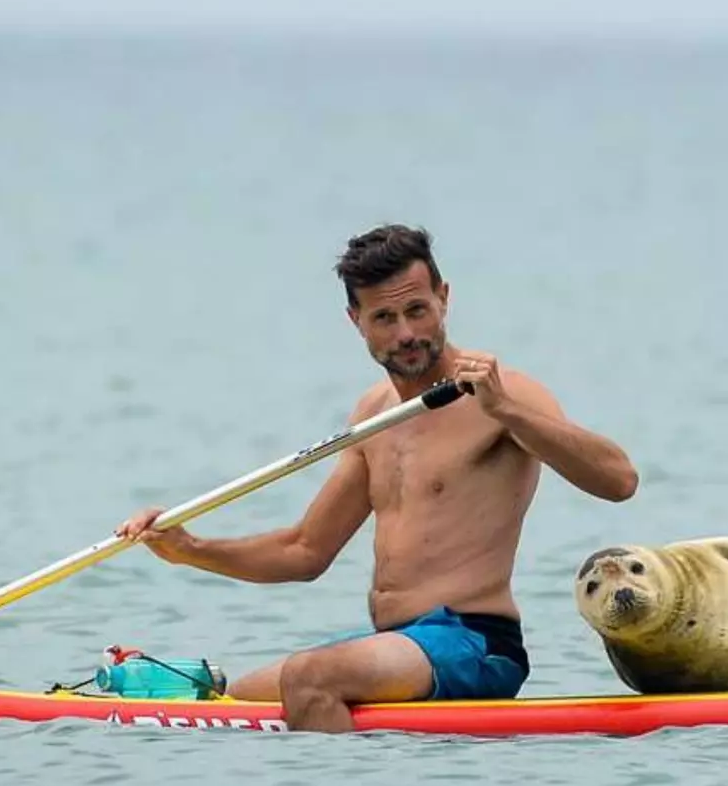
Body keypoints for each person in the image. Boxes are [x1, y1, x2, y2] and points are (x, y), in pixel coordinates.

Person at [114, 224, 640, 731]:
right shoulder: (373, 414)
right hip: (398, 642)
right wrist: (188, 548)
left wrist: (507, 412)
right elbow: (304, 551)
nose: (406, 333)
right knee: (233, 697)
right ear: (355, 321)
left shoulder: (503, 394)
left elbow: (619, 481)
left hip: (474, 644)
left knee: (309, 679)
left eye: (417, 310)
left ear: (444, 298)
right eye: (385, 317)